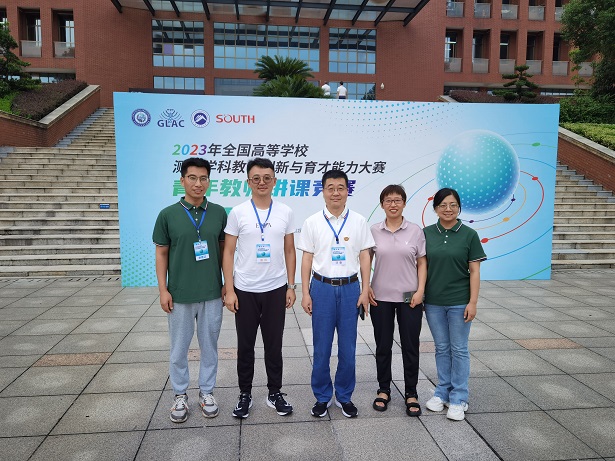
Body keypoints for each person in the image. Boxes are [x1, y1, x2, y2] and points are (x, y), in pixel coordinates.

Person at [153, 157, 227, 423]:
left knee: (210, 347)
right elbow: (161, 254)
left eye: (203, 178)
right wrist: (163, 290)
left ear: (209, 181)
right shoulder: (168, 215)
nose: (198, 183)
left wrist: (227, 285)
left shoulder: (218, 212)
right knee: (179, 349)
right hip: (180, 295)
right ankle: (180, 394)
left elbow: (225, 252)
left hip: (212, 294)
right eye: (193, 178)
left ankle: (207, 392)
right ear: (182, 180)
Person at [222, 158, 297, 419]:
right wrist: (229, 289)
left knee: (274, 345)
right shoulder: (238, 212)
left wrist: (291, 286)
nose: (262, 182)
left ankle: (274, 392)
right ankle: (245, 393)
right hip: (245, 289)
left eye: (267, 178)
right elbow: (228, 251)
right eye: (256, 178)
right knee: (245, 346)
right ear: (248, 182)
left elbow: (290, 250)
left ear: (274, 181)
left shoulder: (285, 212)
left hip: (276, 288)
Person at [298, 169, 374, 418]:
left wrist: (365, 289)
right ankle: (322, 396)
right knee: (321, 347)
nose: (335, 193)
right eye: (330, 188)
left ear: (347, 191)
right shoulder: (312, 222)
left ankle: (344, 395)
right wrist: (305, 292)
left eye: (341, 188)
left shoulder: (359, 221)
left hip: (351, 288)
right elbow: (307, 258)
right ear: (323, 191)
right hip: (321, 288)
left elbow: (365, 256)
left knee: (348, 348)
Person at [423, 187, 486, 421]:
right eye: (443, 205)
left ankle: (459, 397)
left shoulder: (469, 234)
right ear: (435, 208)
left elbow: (475, 271)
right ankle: (442, 391)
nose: (448, 209)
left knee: (458, 348)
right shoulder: (426, 233)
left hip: (460, 301)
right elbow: (421, 267)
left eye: (453, 205)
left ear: (459, 207)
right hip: (433, 302)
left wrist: (473, 302)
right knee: (441, 348)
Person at [368, 185, 426, 416]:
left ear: (404, 203)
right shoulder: (374, 230)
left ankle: (411, 392)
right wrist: (365, 287)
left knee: (411, 345)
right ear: (382, 204)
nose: (393, 204)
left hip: (409, 297)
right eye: (388, 200)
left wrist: (420, 290)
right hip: (380, 296)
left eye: (397, 200)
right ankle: (384, 389)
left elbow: (422, 263)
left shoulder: (415, 231)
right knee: (383, 346)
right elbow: (365, 261)